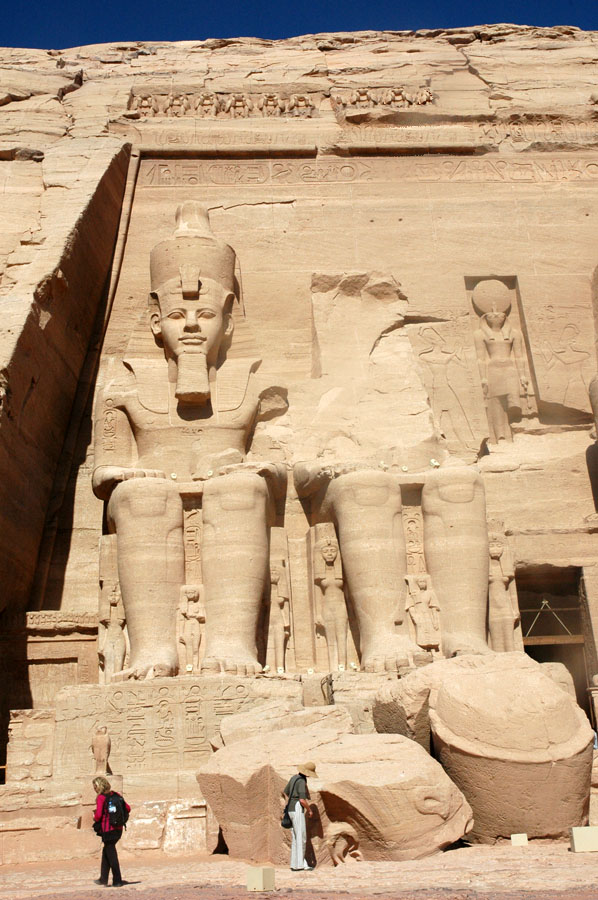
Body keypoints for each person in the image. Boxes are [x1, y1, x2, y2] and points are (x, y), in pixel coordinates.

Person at [92, 776, 130, 887]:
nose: (94, 789)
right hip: (118, 829)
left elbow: (98, 815)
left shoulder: (101, 798)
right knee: (107, 852)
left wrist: (94, 817)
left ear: (99, 786)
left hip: (108, 830)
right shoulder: (116, 795)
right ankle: (103, 879)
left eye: (95, 787)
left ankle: (117, 880)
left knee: (112, 855)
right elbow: (128, 808)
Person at [283, 762, 316, 871]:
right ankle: (300, 865)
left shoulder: (293, 778)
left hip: (290, 809)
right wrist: (309, 810)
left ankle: (295, 864)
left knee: (295, 837)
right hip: (297, 808)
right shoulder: (301, 781)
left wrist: (292, 800)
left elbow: (286, 792)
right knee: (301, 837)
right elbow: (302, 800)